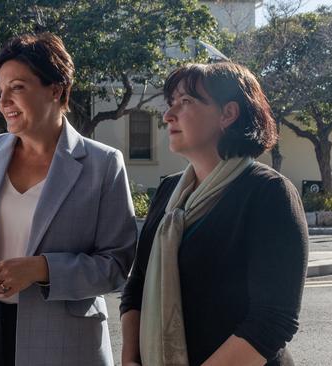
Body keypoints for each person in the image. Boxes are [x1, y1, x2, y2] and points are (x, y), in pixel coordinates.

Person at [0, 32, 137, 366]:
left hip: (64, 344)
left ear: (55, 90)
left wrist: (43, 269)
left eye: (17, 87)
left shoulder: (103, 164)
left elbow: (117, 264)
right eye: (1, 90)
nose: (3, 102)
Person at [119, 62, 308, 366]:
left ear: (228, 114)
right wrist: (130, 360)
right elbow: (137, 285)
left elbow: (273, 320)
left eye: (186, 102)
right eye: (171, 104)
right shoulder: (168, 192)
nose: (168, 115)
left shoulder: (269, 194)